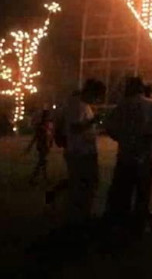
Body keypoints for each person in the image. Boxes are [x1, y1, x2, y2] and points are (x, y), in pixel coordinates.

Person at [105, 76, 152, 233]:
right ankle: (140, 222)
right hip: (145, 155)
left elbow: (109, 127)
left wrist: (121, 138)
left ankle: (121, 221)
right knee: (143, 192)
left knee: (124, 190)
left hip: (126, 154)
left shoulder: (122, 106)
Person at [52, 79, 105, 226]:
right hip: (80, 152)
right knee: (84, 185)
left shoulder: (81, 104)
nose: (97, 100)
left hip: (82, 150)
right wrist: (94, 121)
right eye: (97, 96)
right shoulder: (77, 105)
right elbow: (75, 128)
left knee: (83, 184)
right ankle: (78, 217)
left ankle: (79, 214)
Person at [26, 106, 54, 185]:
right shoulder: (41, 126)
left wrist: (50, 143)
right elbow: (36, 137)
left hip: (44, 145)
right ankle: (33, 178)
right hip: (42, 146)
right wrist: (30, 146)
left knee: (43, 162)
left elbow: (48, 136)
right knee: (41, 162)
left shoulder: (46, 126)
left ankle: (44, 178)